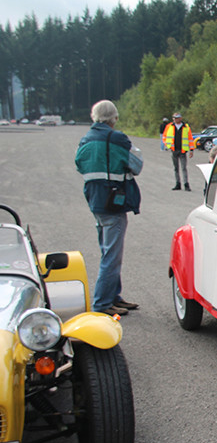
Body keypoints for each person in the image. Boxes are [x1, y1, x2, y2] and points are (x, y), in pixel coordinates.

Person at [74, 99, 142, 317]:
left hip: (95, 201)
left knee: (107, 250)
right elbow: (137, 165)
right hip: (114, 204)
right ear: (114, 118)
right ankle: (102, 304)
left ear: (94, 117)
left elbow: (79, 164)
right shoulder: (117, 139)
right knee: (111, 256)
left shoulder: (86, 140)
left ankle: (114, 296)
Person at [162, 112, 194, 191]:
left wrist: (191, 149)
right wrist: (168, 145)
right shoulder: (169, 126)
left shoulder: (186, 127)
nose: (176, 119)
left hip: (183, 151)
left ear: (181, 118)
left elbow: (190, 139)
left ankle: (186, 184)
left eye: (177, 118)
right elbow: (164, 137)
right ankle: (178, 183)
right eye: (174, 118)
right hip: (174, 150)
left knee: (184, 168)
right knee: (176, 168)